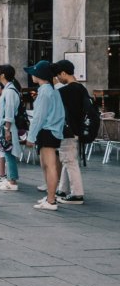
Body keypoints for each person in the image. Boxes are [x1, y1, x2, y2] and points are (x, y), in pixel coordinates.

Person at [24, 60, 65, 210]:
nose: (32, 75)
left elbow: (39, 117)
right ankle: (50, 197)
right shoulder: (51, 90)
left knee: (49, 165)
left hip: (47, 131)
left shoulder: (45, 91)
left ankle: (51, 200)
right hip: (52, 131)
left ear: (39, 75)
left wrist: (31, 137)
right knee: (48, 165)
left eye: (34, 72)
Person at [52, 60, 87, 205]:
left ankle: (77, 194)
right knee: (67, 159)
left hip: (68, 130)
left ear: (63, 73)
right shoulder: (81, 88)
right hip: (78, 129)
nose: (58, 79)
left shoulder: (65, 91)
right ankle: (63, 189)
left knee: (70, 161)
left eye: (58, 76)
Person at [0, 66, 23, 191]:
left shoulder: (10, 91)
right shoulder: (9, 89)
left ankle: (12, 181)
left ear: (3, 75)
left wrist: (7, 129)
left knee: (9, 154)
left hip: (7, 126)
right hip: (5, 126)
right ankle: (11, 178)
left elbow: (9, 111)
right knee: (7, 153)